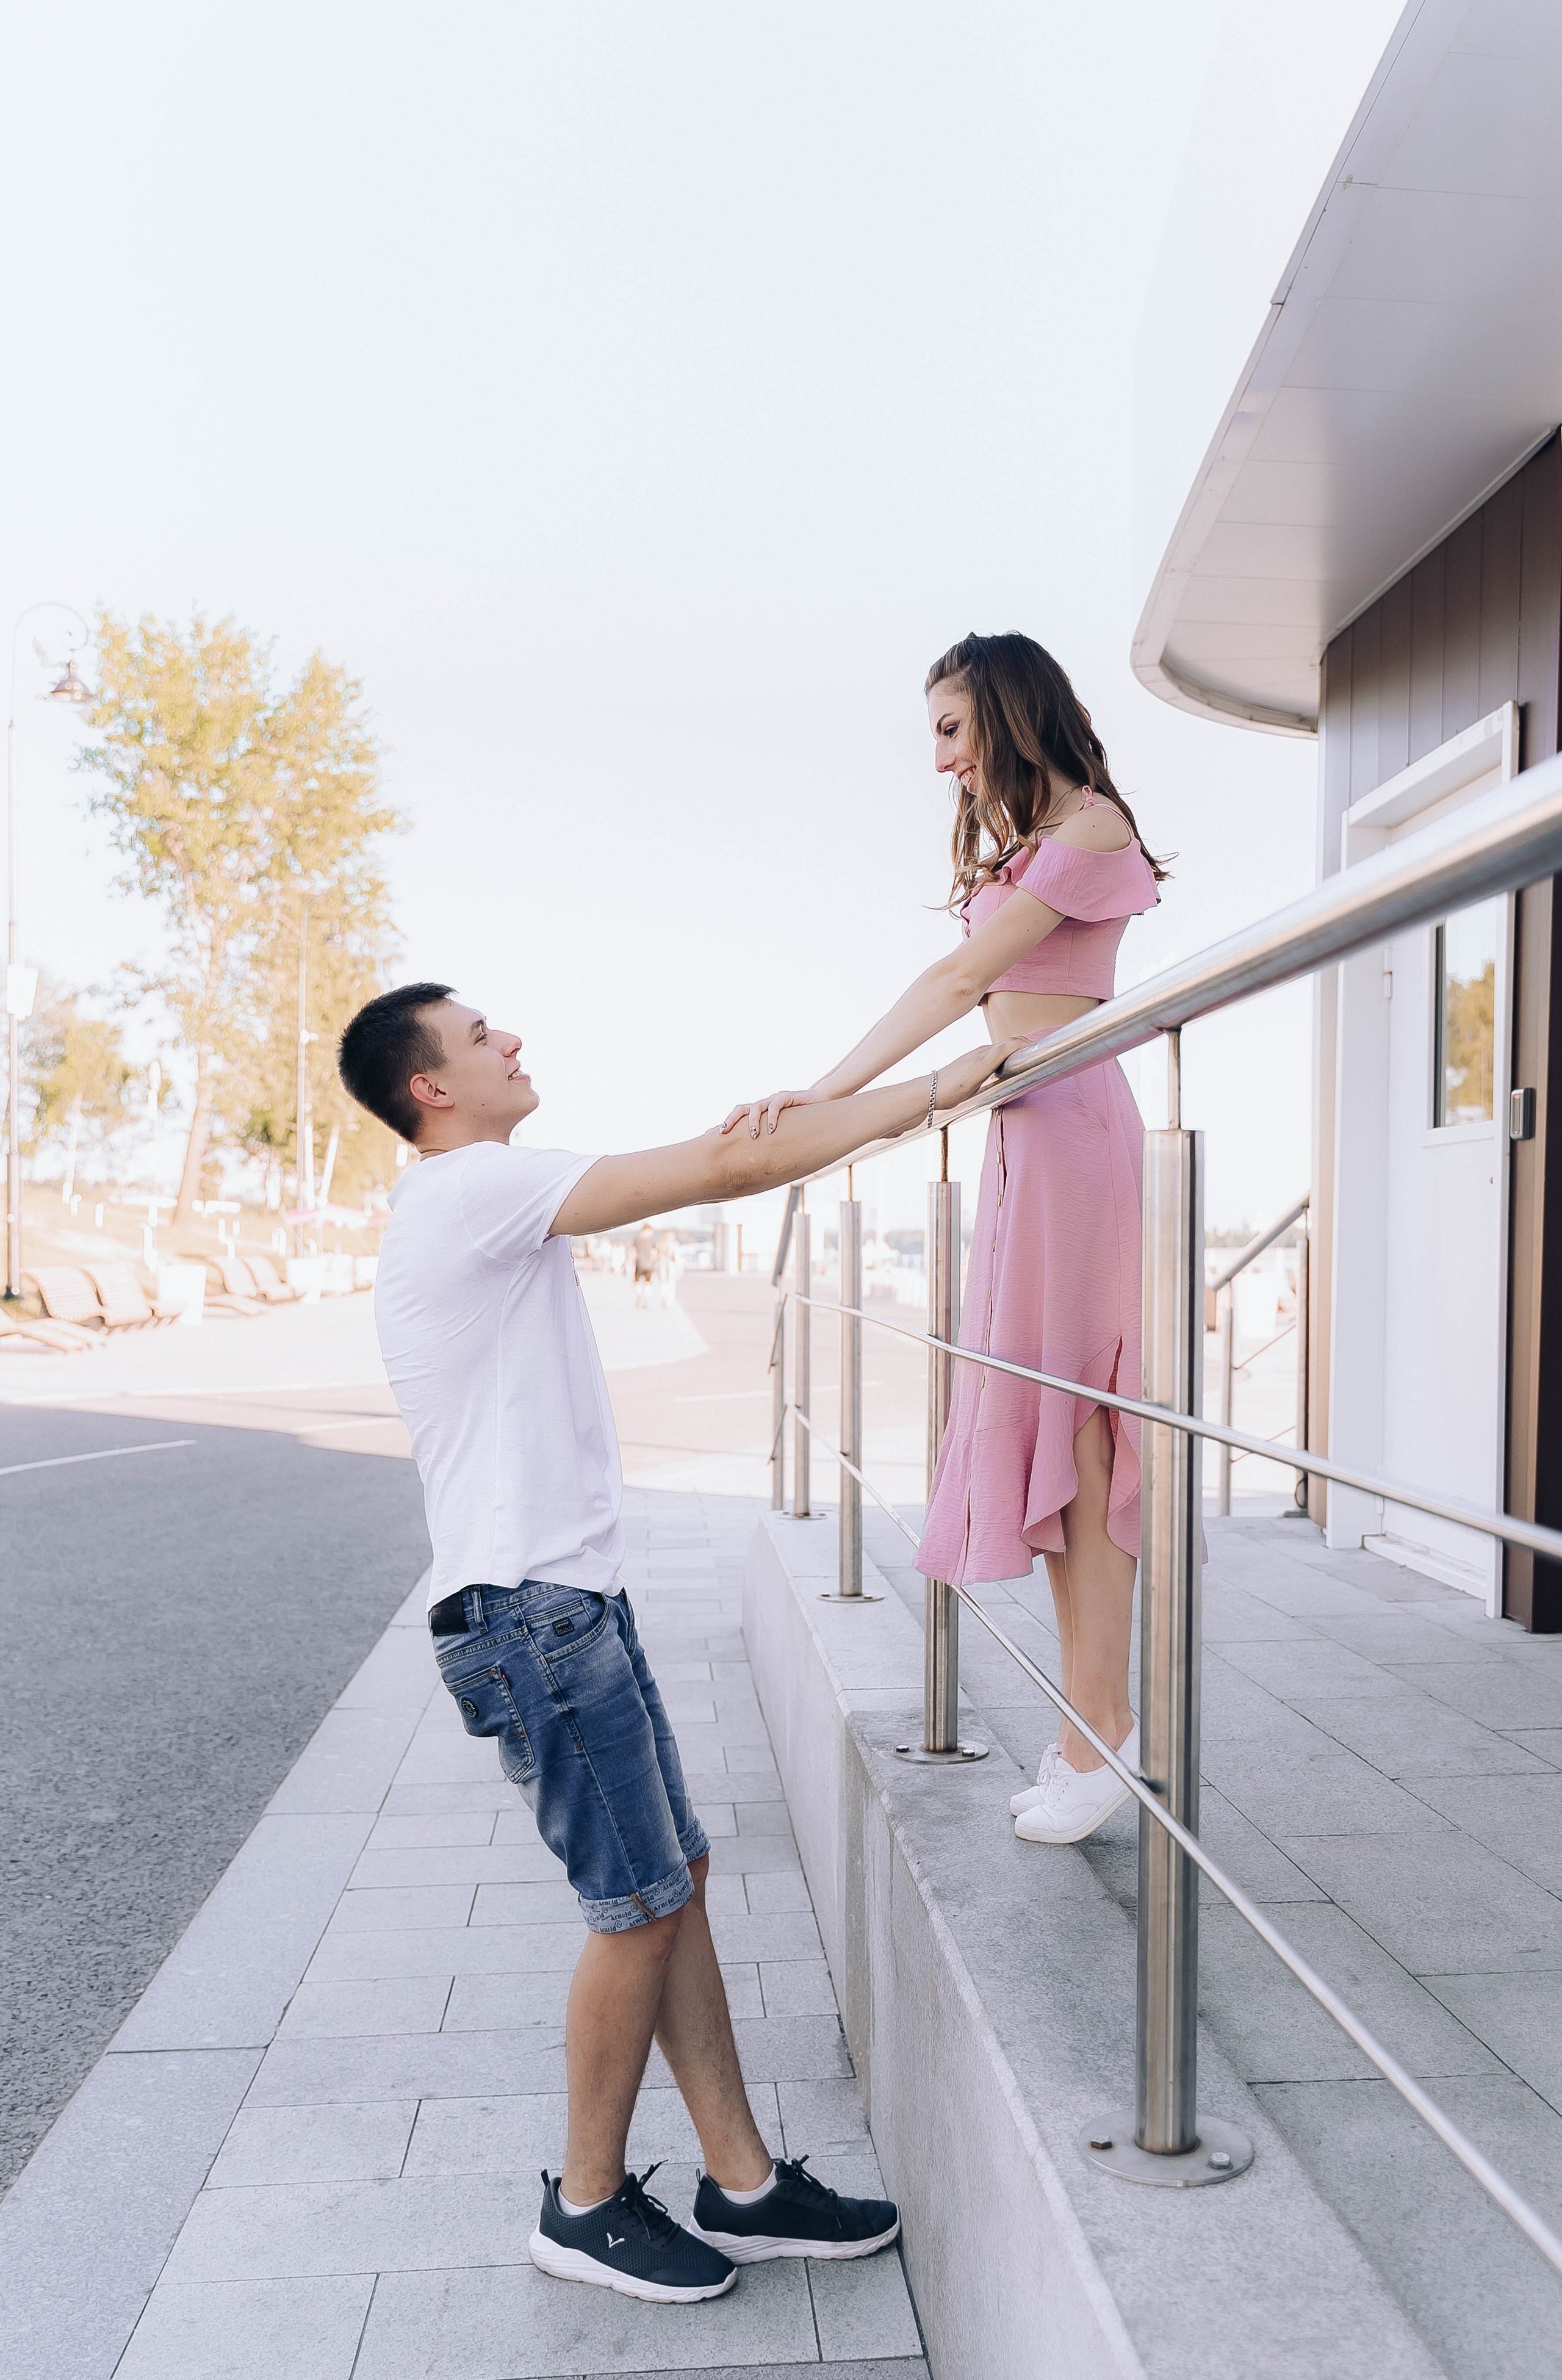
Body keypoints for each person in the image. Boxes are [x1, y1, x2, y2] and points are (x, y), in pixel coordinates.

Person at [337, 982, 1016, 2305]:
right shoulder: (468, 1188)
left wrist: (788, 1119)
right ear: (429, 1090)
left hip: (565, 1605)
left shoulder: (480, 1199)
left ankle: (744, 2186)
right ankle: (582, 2204)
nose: (512, 1039)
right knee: (634, 1912)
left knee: (673, 1885)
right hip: (531, 1615)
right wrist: (956, 1079)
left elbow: (726, 1153)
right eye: (481, 1038)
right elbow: (729, 1165)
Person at [723, 632, 1163, 1848]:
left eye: (951, 731)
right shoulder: (1039, 844)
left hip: (1073, 1133)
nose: (939, 761)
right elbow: (967, 988)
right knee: (1049, 1420)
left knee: (1073, 1431)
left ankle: (1102, 1729)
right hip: (1031, 1135)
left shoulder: (1089, 831)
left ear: (1010, 718)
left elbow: (956, 975)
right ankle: (1095, 1724)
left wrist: (823, 1089)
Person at [632, 1221, 660, 1308]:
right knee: (648, 1283)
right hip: (649, 1265)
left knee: (637, 1282)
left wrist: (631, 1262)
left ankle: (639, 1295)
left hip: (639, 1264)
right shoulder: (652, 1241)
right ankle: (646, 1299)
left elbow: (633, 1252)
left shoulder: (637, 1239)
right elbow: (654, 1254)